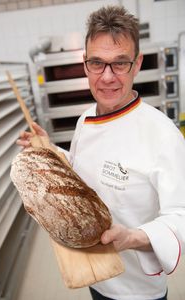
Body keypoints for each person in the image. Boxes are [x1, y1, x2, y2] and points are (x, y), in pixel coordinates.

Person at [17, 5, 185, 300]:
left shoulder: (163, 135)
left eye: (120, 63)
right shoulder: (85, 120)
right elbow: (84, 174)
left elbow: (180, 216)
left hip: (137, 291)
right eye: (97, 63)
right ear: (85, 64)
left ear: (137, 64)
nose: (107, 77)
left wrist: (132, 237)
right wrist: (50, 149)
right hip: (95, 273)